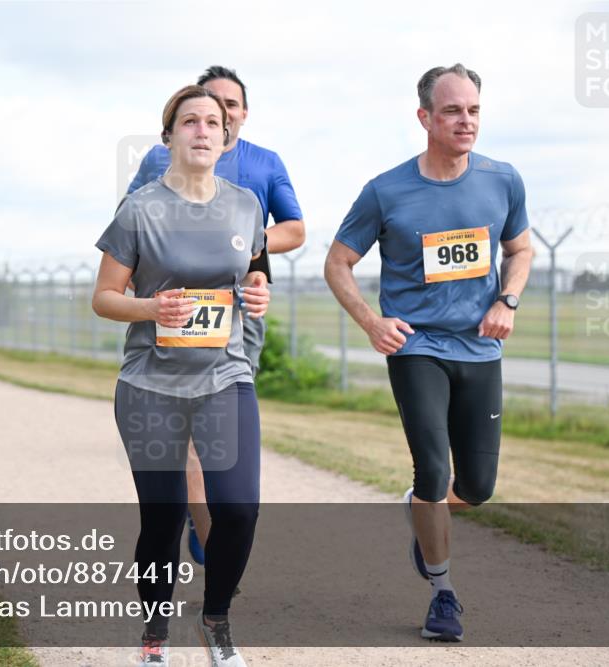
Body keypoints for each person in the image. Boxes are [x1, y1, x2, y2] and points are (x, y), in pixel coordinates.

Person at [324, 63, 534, 643]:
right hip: (416, 347)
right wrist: (371, 322)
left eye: (472, 110)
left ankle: (422, 507)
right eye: (451, 111)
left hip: (481, 351)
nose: (465, 121)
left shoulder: (503, 179)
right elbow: (337, 261)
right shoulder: (386, 190)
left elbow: (520, 249)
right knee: (432, 467)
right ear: (425, 118)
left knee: (474, 489)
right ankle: (444, 595)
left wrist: (507, 300)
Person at [94, 84, 270, 667]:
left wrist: (259, 292)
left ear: (226, 136)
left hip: (226, 373)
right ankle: (153, 635)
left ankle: (215, 618)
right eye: (189, 121)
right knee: (164, 517)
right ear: (168, 136)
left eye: (212, 122)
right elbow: (104, 297)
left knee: (239, 508)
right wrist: (151, 308)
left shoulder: (246, 204)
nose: (201, 130)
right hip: (152, 383)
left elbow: (254, 271)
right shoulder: (141, 208)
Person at [129, 65, 306, 566]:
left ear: (242, 115)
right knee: (184, 427)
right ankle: (204, 528)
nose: (217, 116)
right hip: (174, 316)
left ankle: (211, 513)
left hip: (239, 313)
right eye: (207, 106)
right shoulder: (158, 160)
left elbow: (295, 229)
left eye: (229, 107)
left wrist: (243, 248)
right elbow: (132, 226)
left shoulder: (264, 165)